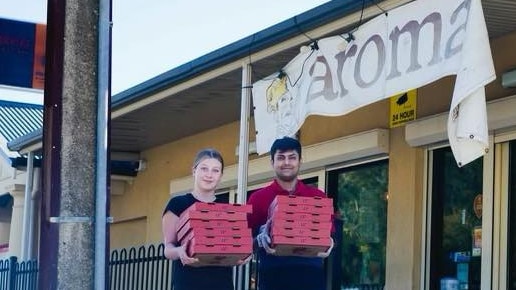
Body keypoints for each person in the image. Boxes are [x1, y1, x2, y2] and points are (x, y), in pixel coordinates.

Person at [247, 136, 334, 290]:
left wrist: (330, 243)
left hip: (312, 279)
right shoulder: (258, 199)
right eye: (280, 158)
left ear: (300, 161)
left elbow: (330, 235)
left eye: (292, 157)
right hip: (273, 279)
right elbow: (245, 244)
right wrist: (260, 239)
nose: (286, 163)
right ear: (272, 162)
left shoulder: (318, 197)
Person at [162, 148, 242, 290]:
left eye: (215, 170)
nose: (209, 175)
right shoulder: (177, 204)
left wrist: (242, 255)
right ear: (194, 171)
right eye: (204, 168)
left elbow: (232, 245)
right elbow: (168, 248)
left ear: (221, 175)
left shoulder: (226, 208)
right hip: (189, 283)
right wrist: (180, 251)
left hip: (222, 284)